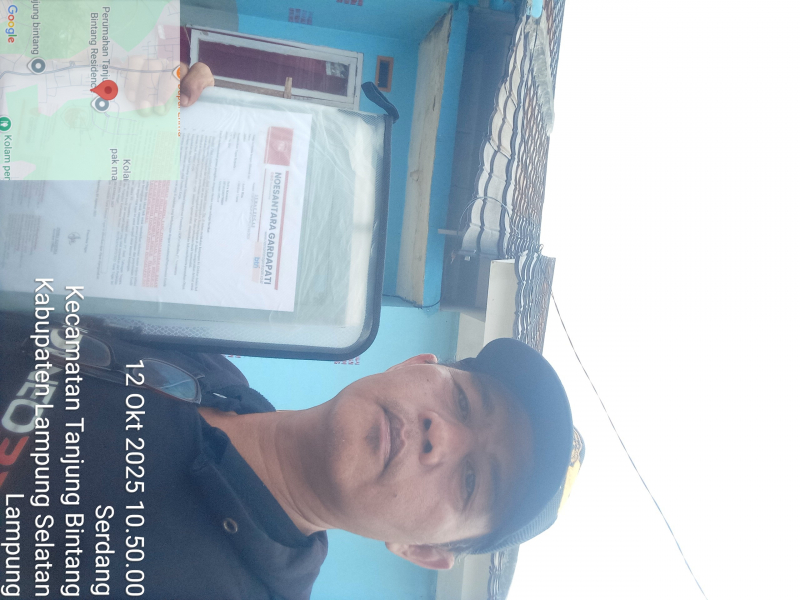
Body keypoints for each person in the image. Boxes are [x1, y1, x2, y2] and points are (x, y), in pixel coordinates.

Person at [0, 312, 583, 600]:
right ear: (414, 366)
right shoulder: (204, 365)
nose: (442, 437)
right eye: (462, 400)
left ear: (423, 551)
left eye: (473, 480)